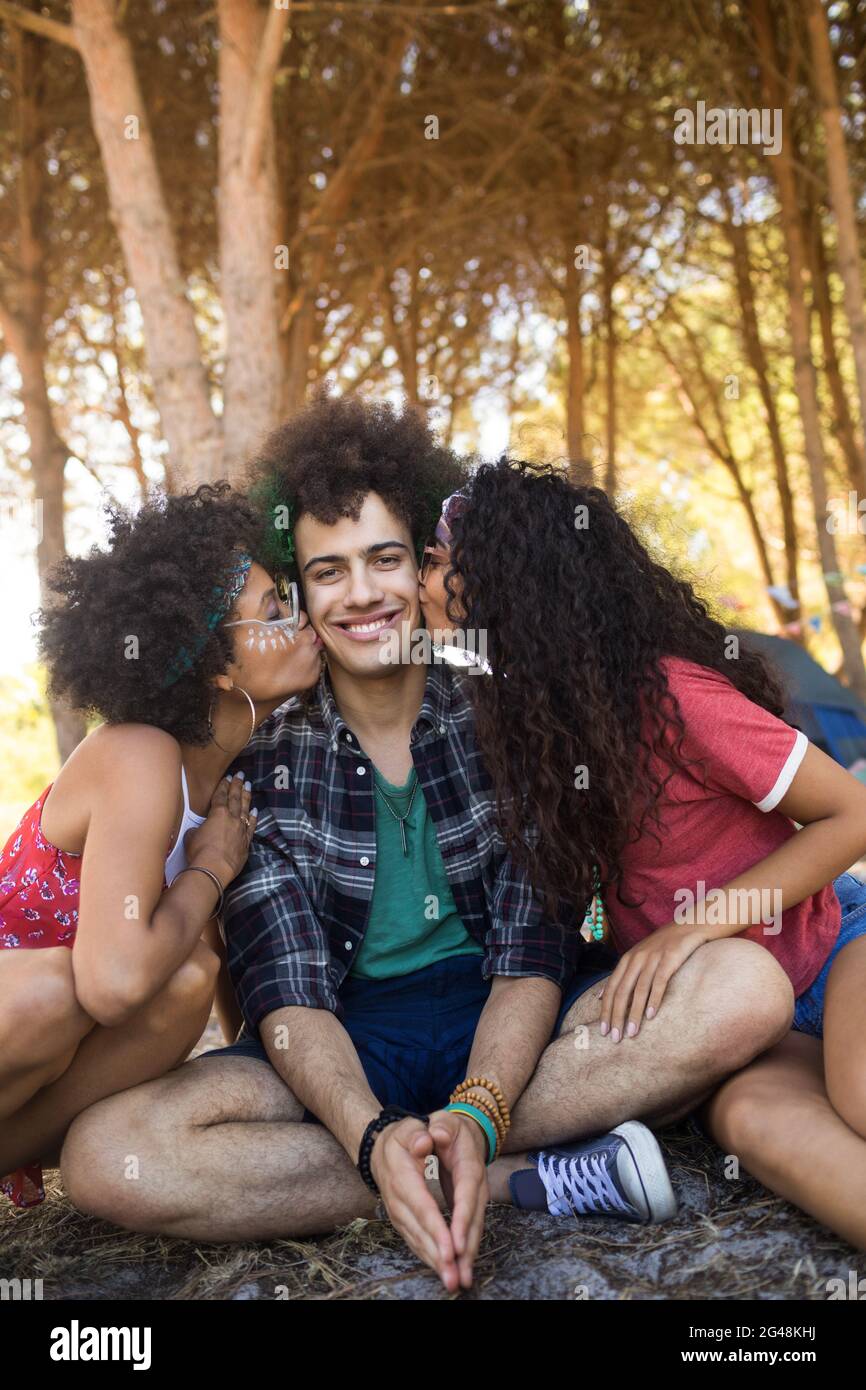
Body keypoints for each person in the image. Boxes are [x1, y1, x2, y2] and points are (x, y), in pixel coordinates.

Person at [59, 400, 793, 1293]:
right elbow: (288, 1001)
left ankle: (461, 1152)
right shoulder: (264, 766)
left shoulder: (507, 714)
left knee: (744, 990)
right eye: (329, 572)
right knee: (108, 1155)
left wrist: (481, 1111)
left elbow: (532, 954)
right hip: (345, 1041)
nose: (362, 594)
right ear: (302, 596)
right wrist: (368, 1134)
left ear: (425, 568)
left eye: (386, 558)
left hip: (520, 1019)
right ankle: (518, 1173)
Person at [423, 458, 866, 1251]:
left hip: (833, 947)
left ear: (505, 586)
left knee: (861, 1093)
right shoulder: (527, 727)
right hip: (741, 1013)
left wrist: (689, 929)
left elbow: (850, 814)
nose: (422, 579)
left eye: (437, 560)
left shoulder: (674, 696)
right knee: (757, 1129)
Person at [0, 482, 323, 1209]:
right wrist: (210, 867)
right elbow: (110, 983)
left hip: (38, 1077)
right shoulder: (140, 755)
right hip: (21, 1005)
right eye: (274, 611)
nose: (300, 621)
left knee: (184, 984)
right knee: (58, 992)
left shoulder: (231, 785)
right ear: (216, 665)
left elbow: (218, 969)